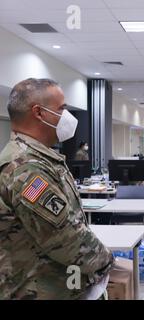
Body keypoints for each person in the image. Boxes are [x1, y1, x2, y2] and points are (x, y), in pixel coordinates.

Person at [0, 78, 113, 299]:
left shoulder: (39, 158)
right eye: (62, 108)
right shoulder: (26, 168)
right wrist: (107, 261)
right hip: (36, 289)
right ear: (39, 113)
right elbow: (65, 239)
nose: (67, 116)